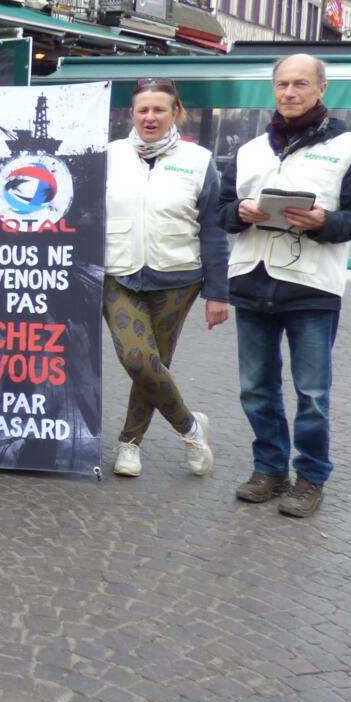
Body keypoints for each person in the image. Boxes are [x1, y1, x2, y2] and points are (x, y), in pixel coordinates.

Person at [219, 53, 351, 518]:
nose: (290, 93)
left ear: (320, 89)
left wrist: (323, 220)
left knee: (312, 393)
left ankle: (311, 476)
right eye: (283, 84)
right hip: (252, 279)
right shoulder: (250, 150)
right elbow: (222, 211)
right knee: (255, 388)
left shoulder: (349, 147)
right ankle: (269, 469)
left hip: (311, 286)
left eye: (301, 84)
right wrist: (240, 212)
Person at [102, 79, 230, 479]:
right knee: (138, 358)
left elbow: (213, 228)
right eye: (143, 110)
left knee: (155, 364)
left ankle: (129, 444)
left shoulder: (197, 160)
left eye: (159, 109)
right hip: (118, 272)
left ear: (175, 113)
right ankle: (190, 427)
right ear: (131, 114)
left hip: (178, 276)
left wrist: (217, 294)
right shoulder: (107, 157)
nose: (150, 117)